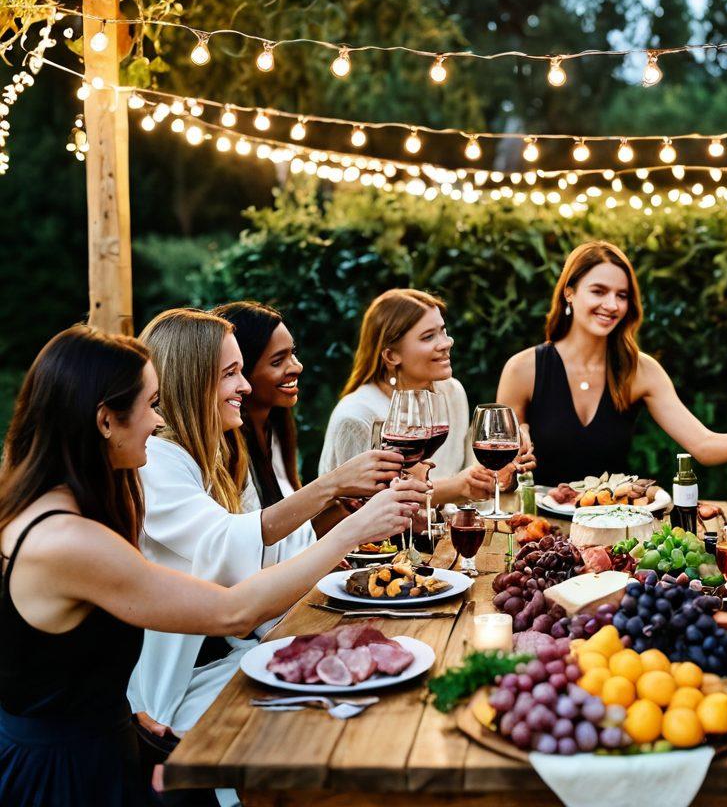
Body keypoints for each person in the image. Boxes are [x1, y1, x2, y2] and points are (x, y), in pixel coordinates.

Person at [0, 326, 422, 806]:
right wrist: (352, 530)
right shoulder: (68, 541)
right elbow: (232, 612)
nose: (159, 421)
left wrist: (119, 708)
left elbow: (52, 664)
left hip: (98, 743)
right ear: (105, 421)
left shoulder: (52, 509)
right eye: (151, 405)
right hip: (67, 777)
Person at [127, 309, 407, 742]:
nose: (244, 386)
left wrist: (340, 516)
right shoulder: (157, 463)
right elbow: (229, 547)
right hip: (176, 692)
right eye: (230, 374)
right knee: (340, 724)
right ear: (192, 380)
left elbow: (271, 547)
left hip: (226, 658)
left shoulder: (207, 456)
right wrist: (347, 517)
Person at [497, 240, 727, 486]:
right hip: (539, 522)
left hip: (615, 520)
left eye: (622, 295)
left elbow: (703, 445)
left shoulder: (640, 370)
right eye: (599, 291)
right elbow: (501, 475)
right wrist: (508, 466)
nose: (612, 305)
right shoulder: (523, 369)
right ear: (569, 292)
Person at [319, 288, 530, 503]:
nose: (447, 343)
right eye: (428, 336)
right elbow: (358, 507)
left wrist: (501, 471)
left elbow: (470, 476)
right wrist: (458, 487)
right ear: (391, 356)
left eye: (443, 331)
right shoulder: (356, 417)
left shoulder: (451, 392)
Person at [213, 301, 347, 533]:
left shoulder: (275, 428)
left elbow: (290, 533)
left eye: (292, 354)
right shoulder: (225, 452)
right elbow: (258, 540)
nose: (297, 367)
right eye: (277, 361)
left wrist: (342, 507)